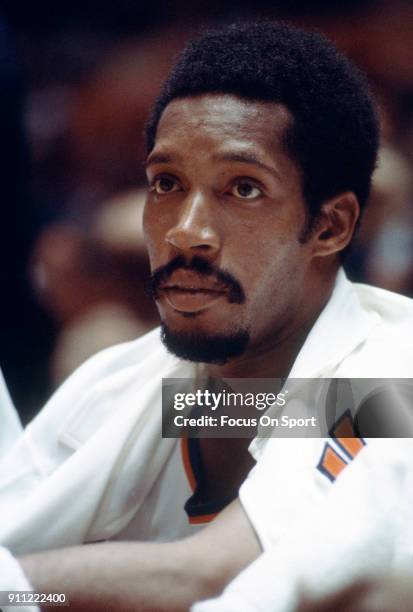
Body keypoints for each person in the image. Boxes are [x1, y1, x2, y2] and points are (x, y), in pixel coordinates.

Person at [2, 21, 413, 610]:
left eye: (243, 188)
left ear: (330, 227)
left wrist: (12, 589)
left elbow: (212, 577)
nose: (186, 232)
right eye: (166, 182)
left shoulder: (394, 374)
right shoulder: (127, 386)